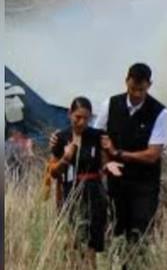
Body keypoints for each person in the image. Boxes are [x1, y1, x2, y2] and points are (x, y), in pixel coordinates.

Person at [93, 63, 167, 259]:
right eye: (133, 88)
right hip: (115, 181)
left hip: (144, 184)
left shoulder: (160, 112)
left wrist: (118, 154)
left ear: (149, 85)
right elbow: (98, 137)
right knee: (115, 229)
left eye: (141, 89)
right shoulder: (110, 104)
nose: (136, 93)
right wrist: (106, 162)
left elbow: (152, 154)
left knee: (139, 232)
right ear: (126, 81)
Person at [49, 97, 121, 265]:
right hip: (69, 193)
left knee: (91, 244)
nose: (82, 122)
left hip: (94, 193)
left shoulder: (97, 136)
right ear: (69, 114)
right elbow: (52, 172)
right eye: (78, 117)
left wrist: (110, 163)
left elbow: (104, 164)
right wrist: (66, 158)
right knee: (72, 241)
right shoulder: (61, 137)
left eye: (86, 118)